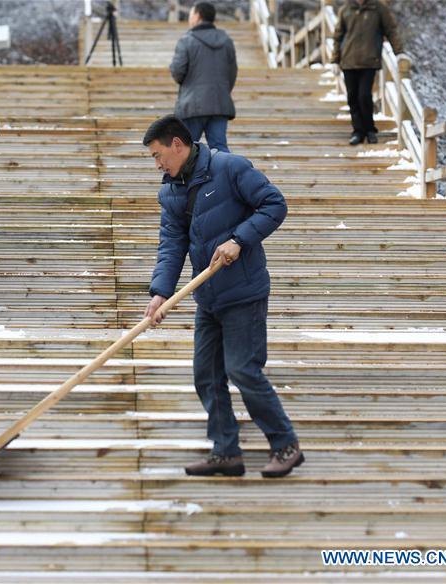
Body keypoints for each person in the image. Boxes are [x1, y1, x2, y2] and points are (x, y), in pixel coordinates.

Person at [142, 115, 304, 479]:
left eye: (157, 155)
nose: (156, 164)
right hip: (208, 297)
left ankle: (285, 445)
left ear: (177, 145)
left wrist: (239, 239)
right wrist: (160, 293)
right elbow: (171, 244)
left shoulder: (229, 168)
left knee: (242, 370)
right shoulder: (170, 191)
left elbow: (274, 205)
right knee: (206, 374)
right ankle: (226, 452)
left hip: (243, 291)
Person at [332, 0, 404, 145]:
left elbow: (391, 30)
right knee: (352, 97)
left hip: (369, 60)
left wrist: (399, 53)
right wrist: (335, 60)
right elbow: (338, 36)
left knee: (364, 95)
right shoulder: (346, 9)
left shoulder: (378, 9)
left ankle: (370, 130)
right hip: (348, 61)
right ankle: (358, 131)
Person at [169, 2, 237, 153]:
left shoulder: (186, 40)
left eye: (191, 14)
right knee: (219, 148)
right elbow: (232, 73)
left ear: (198, 16)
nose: (189, 18)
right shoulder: (226, 41)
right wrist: (221, 91)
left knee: (186, 149)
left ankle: (188, 178)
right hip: (219, 103)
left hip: (192, 105)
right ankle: (224, 177)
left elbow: (177, 72)